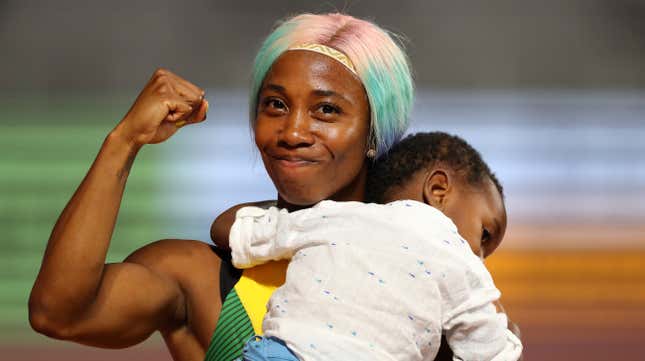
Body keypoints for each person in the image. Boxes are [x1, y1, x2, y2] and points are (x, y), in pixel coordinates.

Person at [28, 12, 415, 361]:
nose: (293, 131)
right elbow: (59, 314)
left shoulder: (428, 260)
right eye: (276, 105)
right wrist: (123, 142)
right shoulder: (197, 279)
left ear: (374, 134)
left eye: (326, 109)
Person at [225, 132, 522, 361]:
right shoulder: (455, 256)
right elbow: (490, 352)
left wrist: (301, 212)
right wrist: (509, 331)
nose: (479, 258)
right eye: (485, 234)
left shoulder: (335, 215)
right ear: (438, 189)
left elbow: (234, 232)